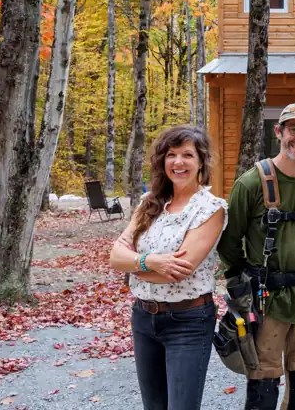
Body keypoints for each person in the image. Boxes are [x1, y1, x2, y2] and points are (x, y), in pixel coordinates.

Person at [217, 102, 295, 410]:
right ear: (279, 131)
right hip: (267, 301)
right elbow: (229, 242)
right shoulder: (252, 183)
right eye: (294, 129)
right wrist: (243, 282)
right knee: (263, 387)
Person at [109, 125, 227, 410]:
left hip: (188, 322)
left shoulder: (211, 209)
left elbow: (179, 270)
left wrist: (133, 263)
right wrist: (150, 262)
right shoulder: (150, 203)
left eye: (187, 155)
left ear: (201, 162)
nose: (178, 162)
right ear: (162, 161)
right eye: (171, 155)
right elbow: (115, 256)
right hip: (143, 317)